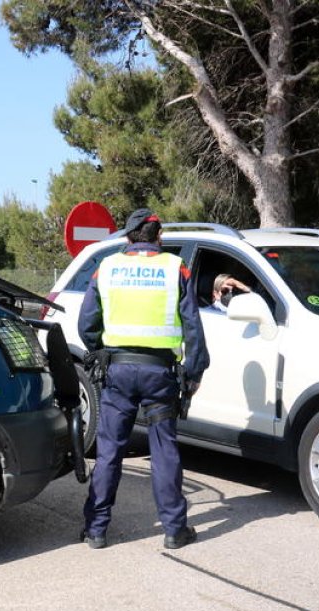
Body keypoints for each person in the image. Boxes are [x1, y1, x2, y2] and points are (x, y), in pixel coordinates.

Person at [77, 208, 210, 550]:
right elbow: (193, 326)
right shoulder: (174, 268)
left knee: (109, 451)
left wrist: (100, 350)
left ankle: (96, 529)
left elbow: (87, 323)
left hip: (118, 372)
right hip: (159, 374)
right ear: (158, 235)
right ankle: (174, 530)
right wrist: (194, 372)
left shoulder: (106, 267)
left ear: (128, 237)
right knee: (164, 450)